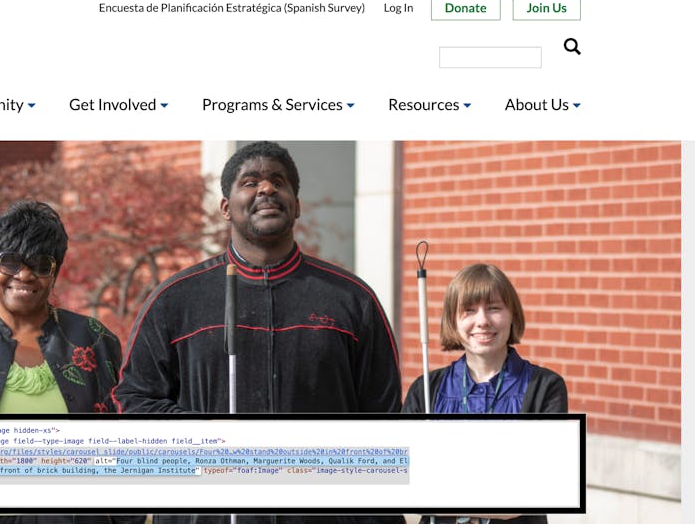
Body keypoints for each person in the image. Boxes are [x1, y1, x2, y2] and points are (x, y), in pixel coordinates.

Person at [112, 141, 404, 524]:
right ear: (225, 208)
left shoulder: (351, 300)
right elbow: (132, 401)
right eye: (250, 182)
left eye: (278, 182)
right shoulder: (175, 300)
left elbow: (383, 423)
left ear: (296, 204)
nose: (266, 189)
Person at [0, 201, 139, 524]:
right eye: (10, 262)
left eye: (39, 263)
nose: (24, 274)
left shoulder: (94, 340)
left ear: (55, 272)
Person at [402, 263, 567, 524]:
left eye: (494, 308)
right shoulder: (426, 391)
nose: (482, 321)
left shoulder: (545, 387)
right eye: (469, 310)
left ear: (512, 314)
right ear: (453, 321)